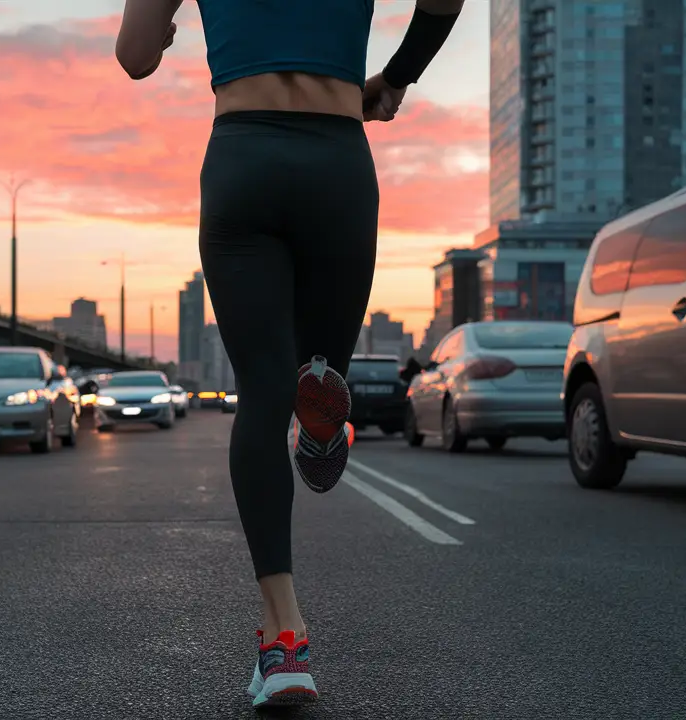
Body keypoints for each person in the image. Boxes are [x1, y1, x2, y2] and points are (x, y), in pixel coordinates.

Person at [116, 0, 464, 707]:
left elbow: (136, 55)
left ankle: (284, 642)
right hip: (336, 162)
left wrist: (166, 24)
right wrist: (395, 77)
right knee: (318, 375)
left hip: (243, 160)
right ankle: (322, 416)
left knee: (262, 390)